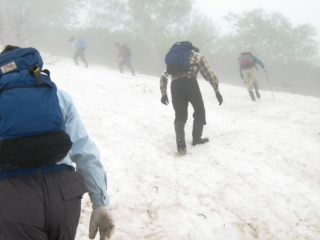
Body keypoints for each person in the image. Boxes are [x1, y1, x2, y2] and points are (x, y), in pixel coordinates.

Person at [0, 45, 115, 240]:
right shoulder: (57, 96)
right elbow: (85, 151)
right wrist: (100, 203)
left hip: (13, 198)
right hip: (64, 195)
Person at [160, 44, 223, 155]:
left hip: (175, 84)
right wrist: (216, 90)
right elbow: (209, 73)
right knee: (199, 110)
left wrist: (164, 93)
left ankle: (180, 141)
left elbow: (164, 75)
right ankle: (197, 139)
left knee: (180, 115)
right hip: (190, 82)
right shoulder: (197, 56)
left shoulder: (176, 58)